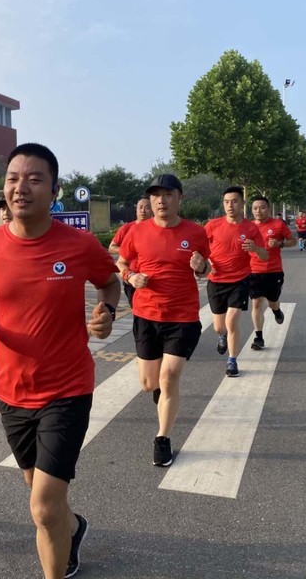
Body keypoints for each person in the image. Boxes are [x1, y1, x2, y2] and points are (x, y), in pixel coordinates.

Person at [0, 143, 120, 579]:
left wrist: (107, 311)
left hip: (67, 389)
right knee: (40, 491)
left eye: (34, 180)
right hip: (11, 392)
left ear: (54, 190)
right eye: (13, 179)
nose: (21, 187)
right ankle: (73, 528)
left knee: (42, 506)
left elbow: (110, 283)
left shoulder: (79, 244)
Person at [116, 174, 210, 467]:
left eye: (168, 194)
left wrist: (201, 266)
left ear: (180, 198)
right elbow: (121, 262)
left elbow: (206, 268)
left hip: (182, 317)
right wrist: (131, 276)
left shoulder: (196, 232)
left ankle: (163, 439)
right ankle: (160, 391)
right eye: (156, 195)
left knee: (169, 377)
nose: (161, 200)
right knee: (149, 383)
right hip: (146, 315)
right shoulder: (136, 231)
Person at [205, 186, 268, 377]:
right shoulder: (212, 225)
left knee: (232, 320)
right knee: (219, 326)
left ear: (242, 204)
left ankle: (232, 361)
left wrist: (255, 248)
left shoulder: (250, 228)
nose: (230, 205)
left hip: (240, 280)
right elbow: (200, 248)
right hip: (216, 281)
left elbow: (265, 255)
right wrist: (206, 262)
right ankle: (222, 335)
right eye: (226, 202)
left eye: (234, 201)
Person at [248, 196, 297, 351]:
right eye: (255, 208)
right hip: (253, 271)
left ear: (268, 208)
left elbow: (293, 241)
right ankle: (259, 337)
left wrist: (280, 243)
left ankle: (276, 310)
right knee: (257, 303)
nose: (258, 211)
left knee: (272, 301)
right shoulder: (247, 227)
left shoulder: (277, 225)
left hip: (274, 271)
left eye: (262, 207)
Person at [108, 197, 152, 308]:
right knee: (136, 308)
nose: (143, 210)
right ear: (136, 211)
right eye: (140, 207)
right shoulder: (127, 228)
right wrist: (129, 250)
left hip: (151, 278)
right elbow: (111, 247)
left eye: (147, 207)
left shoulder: (158, 229)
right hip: (132, 276)